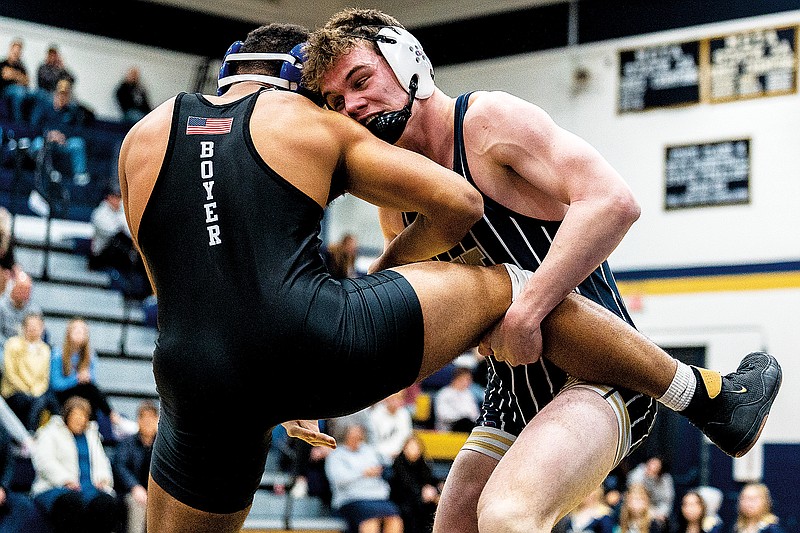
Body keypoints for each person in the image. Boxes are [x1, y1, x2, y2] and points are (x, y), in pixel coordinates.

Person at [119, 22, 778, 533]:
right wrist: (310, 362)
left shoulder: (487, 119)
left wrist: (525, 310)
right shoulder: (385, 187)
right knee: (456, 522)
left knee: (507, 516)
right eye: (336, 98)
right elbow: (396, 314)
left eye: (359, 82)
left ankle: (710, 394)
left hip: (599, 376)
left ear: (408, 63)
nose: (349, 106)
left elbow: (615, 201)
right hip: (510, 393)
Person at [31, 395, 118, 533]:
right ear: (67, 415)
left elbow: (102, 462)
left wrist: (103, 479)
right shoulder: (50, 432)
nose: (79, 419)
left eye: (83, 416)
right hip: (54, 487)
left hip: (89, 487)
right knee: (71, 502)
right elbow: (43, 461)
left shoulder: (92, 435)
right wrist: (66, 480)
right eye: (76, 415)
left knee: (106, 503)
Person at [49, 318, 121, 438]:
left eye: (83, 331)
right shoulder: (58, 354)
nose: (79, 333)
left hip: (83, 394)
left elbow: (91, 379)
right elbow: (56, 384)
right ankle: (113, 417)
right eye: (76, 330)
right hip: (62, 395)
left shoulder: (90, 355)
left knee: (90, 391)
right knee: (90, 389)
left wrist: (83, 379)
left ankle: (91, 427)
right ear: (69, 333)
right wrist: (76, 378)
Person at [325, 423, 403, 533]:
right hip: (351, 499)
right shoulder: (336, 455)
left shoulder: (369, 451)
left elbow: (385, 464)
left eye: (359, 433)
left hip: (377, 497)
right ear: (346, 435)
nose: (357, 436)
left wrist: (379, 470)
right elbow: (338, 479)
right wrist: (363, 473)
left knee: (395, 518)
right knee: (371, 519)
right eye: (353, 434)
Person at [1, 313, 58, 431]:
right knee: (25, 401)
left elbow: (44, 378)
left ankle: (30, 433)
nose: (33, 328)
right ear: (23, 327)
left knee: (43, 401)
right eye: (30, 325)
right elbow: (10, 374)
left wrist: (34, 392)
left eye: (36, 326)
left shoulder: (45, 349)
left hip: (36, 392)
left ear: (42, 328)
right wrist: (27, 390)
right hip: (14, 391)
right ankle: (25, 435)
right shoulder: (12, 344)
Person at [29, 79, 90, 187]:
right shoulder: (44, 107)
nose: (62, 97)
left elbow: (77, 130)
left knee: (78, 143)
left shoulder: (72, 111)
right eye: (60, 94)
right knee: (38, 144)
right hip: (46, 140)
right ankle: (48, 172)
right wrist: (48, 134)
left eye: (65, 95)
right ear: (55, 93)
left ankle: (80, 174)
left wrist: (64, 136)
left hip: (63, 142)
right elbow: (34, 126)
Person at [113, 400, 158, 533]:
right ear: (138, 420)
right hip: (131, 492)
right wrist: (135, 487)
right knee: (138, 503)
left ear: (157, 420)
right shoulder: (127, 443)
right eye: (144, 418)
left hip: (156, 493)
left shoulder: (164, 447)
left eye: (151, 418)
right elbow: (120, 466)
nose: (148, 422)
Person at [0, 418, 50, 533]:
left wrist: (2, 487)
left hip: (2, 490)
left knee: (24, 506)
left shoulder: (1, 430)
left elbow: (8, 463)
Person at [388, 434, 440, 533]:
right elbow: (405, 484)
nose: (414, 450)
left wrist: (435, 489)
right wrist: (422, 493)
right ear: (404, 448)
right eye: (411, 447)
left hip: (421, 498)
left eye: (416, 447)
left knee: (435, 505)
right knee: (412, 509)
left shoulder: (423, 463)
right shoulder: (399, 463)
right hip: (403, 498)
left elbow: (430, 480)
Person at [369, 391, 413, 466]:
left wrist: (400, 453)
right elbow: (372, 441)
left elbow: (407, 437)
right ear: (386, 398)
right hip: (379, 456)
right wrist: (386, 454)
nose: (395, 401)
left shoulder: (404, 414)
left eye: (399, 398)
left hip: (400, 457)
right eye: (393, 398)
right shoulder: (375, 414)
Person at [0, 272, 42, 348]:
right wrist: (11, 347)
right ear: (12, 287)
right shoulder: (1, 305)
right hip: (4, 347)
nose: (24, 292)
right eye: (21, 288)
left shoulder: (34, 309)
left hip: (27, 347)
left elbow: (38, 334)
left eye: (28, 289)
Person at [627, 456, 675, 523]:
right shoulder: (639, 472)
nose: (652, 468)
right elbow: (634, 489)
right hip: (639, 507)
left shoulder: (665, 479)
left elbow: (667, 502)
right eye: (650, 464)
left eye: (656, 466)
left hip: (657, 512)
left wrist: (659, 513)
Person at [432, 366, 479, 432]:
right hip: (449, 428)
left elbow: (474, 414)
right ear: (457, 378)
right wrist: (461, 416)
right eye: (466, 379)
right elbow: (442, 415)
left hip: (468, 424)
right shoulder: (444, 393)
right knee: (465, 422)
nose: (469, 382)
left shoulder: (468, 394)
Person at [0, 39, 29, 123]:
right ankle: (18, 122)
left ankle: (34, 124)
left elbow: (27, 81)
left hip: (22, 90)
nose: (16, 53)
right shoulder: (3, 63)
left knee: (39, 94)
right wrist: (20, 77)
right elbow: (5, 75)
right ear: (11, 49)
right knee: (19, 91)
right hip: (5, 91)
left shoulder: (21, 66)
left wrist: (14, 74)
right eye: (15, 51)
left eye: (19, 52)